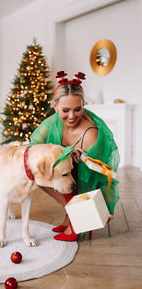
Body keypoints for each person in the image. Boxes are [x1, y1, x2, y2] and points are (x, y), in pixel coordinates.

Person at [30, 71, 120, 241]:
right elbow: (33, 148)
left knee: (73, 174)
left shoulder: (90, 134)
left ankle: (78, 220)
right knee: (38, 172)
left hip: (85, 181)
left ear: (83, 104)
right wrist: (66, 152)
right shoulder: (51, 122)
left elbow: (98, 177)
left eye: (77, 109)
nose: (71, 116)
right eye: (65, 110)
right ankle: (71, 213)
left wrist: (105, 206)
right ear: (54, 106)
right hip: (67, 178)